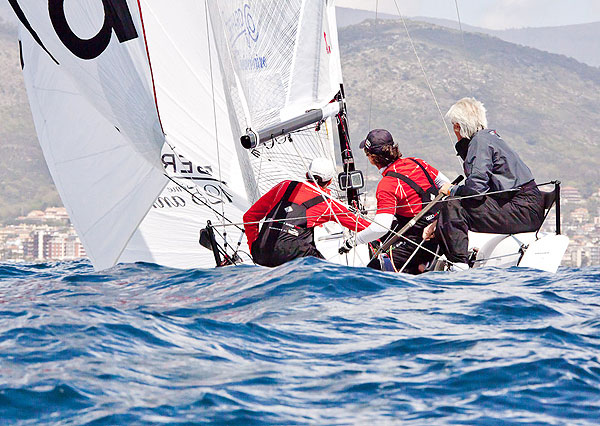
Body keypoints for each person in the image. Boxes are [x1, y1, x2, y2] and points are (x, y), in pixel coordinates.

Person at [425, 97, 545, 270]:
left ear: (458, 126)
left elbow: (476, 189)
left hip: (522, 209)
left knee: (452, 205)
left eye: (454, 125)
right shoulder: (488, 137)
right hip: (527, 206)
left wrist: (451, 190)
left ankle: (459, 265)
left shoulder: (480, 142)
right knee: (451, 206)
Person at [339, 129, 450, 274]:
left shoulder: (387, 184)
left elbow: (380, 228)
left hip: (421, 239)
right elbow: (446, 185)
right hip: (442, 228)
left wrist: (352, 242)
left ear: (372, 158)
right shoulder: (417, 162)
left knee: (374, 269)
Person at [244, 157, 371, 267]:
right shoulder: (328, 202)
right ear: (330, 181)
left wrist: (254, 247)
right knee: (329, 275)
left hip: (261, 255)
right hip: (292, 258)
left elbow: (249, 217)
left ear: (306, 174)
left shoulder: (284, 186)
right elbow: (363, 227)